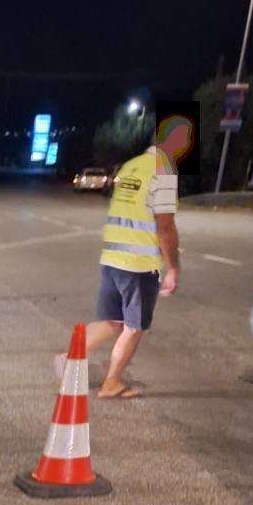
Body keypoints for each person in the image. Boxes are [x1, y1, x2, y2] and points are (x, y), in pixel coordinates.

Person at [72, 119, 182, 399]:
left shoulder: (130, 166)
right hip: (139, 265)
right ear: (176, 142)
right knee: (133, 327)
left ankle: (71, 356)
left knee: (113, 321)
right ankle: (111, 384)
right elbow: (165, 226)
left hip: (111, 257)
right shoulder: (163, 173)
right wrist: (173, 267)